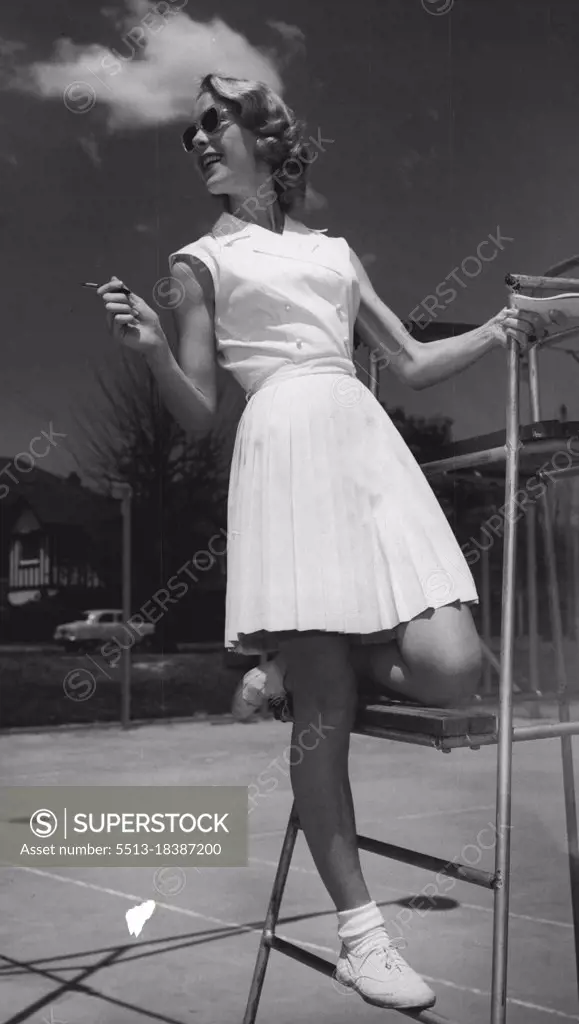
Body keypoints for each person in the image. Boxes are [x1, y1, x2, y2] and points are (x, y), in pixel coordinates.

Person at [97, 73, 542, 1011]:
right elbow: (198, 407)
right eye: (191, 134)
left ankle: (290, 663)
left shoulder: (336, 251)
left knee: (454, 666)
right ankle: (361, 934)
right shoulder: (195, 263)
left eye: (213, 124)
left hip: (366, 444)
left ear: (264, 134)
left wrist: (502, 328)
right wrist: (147, 353)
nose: (198, 142)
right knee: (325, 716)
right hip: (282, 447)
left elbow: (412, 364)